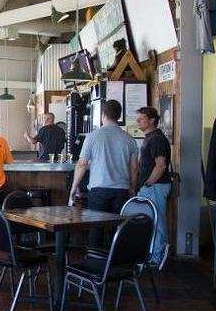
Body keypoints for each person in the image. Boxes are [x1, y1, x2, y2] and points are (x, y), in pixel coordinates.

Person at [68, 99, 139, 247]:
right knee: (118, 229)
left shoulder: (92, 137)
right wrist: (132, 188)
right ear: (118, 116)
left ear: (103, 115)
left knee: (96, 228)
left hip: (99, 190)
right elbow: (134, 168)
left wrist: (74, 188)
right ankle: (115, 264)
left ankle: (95, 263)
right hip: (121, 190)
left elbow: (82, 164)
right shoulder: (129, 139)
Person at [136, 106, 172, 264]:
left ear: (152, 120)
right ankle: (153, 255)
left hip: (156, 187)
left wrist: (148, 183)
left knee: (157, 221)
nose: (138, 121)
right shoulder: (149, 137)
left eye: (141, 118)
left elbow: (161, 165)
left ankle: (158, 257)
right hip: (151, 187)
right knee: (150, 221)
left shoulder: (156, 138)